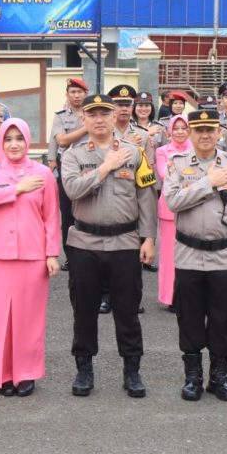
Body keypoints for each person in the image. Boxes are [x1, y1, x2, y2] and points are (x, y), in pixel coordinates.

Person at [61, 93, 157, 397]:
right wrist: (104, 168)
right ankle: (84, 369)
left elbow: (146, 197)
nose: (99, 119)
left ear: (114, 115)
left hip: (125, 243)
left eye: (105, 113)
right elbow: (73, 190)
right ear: (83, 119)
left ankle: (132, 370)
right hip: (85, 243)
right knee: (84, 310)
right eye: (93, 114)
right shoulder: (73, 154)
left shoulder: (134, 152)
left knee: (127, 311)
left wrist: (149, 238)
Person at [163, 109, 227, 402]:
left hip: (223, 255)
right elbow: (173, 201)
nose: (204, 135)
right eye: (198, 129)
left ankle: (219, 376)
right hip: (188, 253)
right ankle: (193, 377)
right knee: (189, 317)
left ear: (220, 132)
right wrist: (209, 183)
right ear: (190, 133)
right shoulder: (176, 164)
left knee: (222, 317)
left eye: (210, 130)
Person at [0, 118, 60, 396]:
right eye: (8, 139)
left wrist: (51, 253)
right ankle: (1, 374)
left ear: (27, 141)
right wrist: (17, 189)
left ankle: (26, 373)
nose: (14, 145)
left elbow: (51, 216)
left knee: (29, 318)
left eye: (19, 139)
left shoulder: (42, 174)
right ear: (0, 142)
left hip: (32, 255)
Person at [47, 78, 88, 271]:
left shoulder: (92, 112)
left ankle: (88, 254)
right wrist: (86, 128)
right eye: (72, 92)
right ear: (67, 94)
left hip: (91, 165)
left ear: (85, 94)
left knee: (90, 210)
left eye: (79, 92)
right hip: (68, 167)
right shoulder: (61, 116)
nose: (76, 95)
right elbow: (61, 140)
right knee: (68, 212)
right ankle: (71, 256)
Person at [154, 115, 191, 310]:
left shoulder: (196, 150)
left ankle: (189, 295)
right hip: (169, 208)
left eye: (183, 128)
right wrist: (190, 177)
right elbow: (164, 174)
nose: (179, 131)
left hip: (193, 206)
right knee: (169, 256)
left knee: (190, 253)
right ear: (169, 131)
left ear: (189, 130)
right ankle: (171, 297)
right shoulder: (162, 151)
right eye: (175, 128)